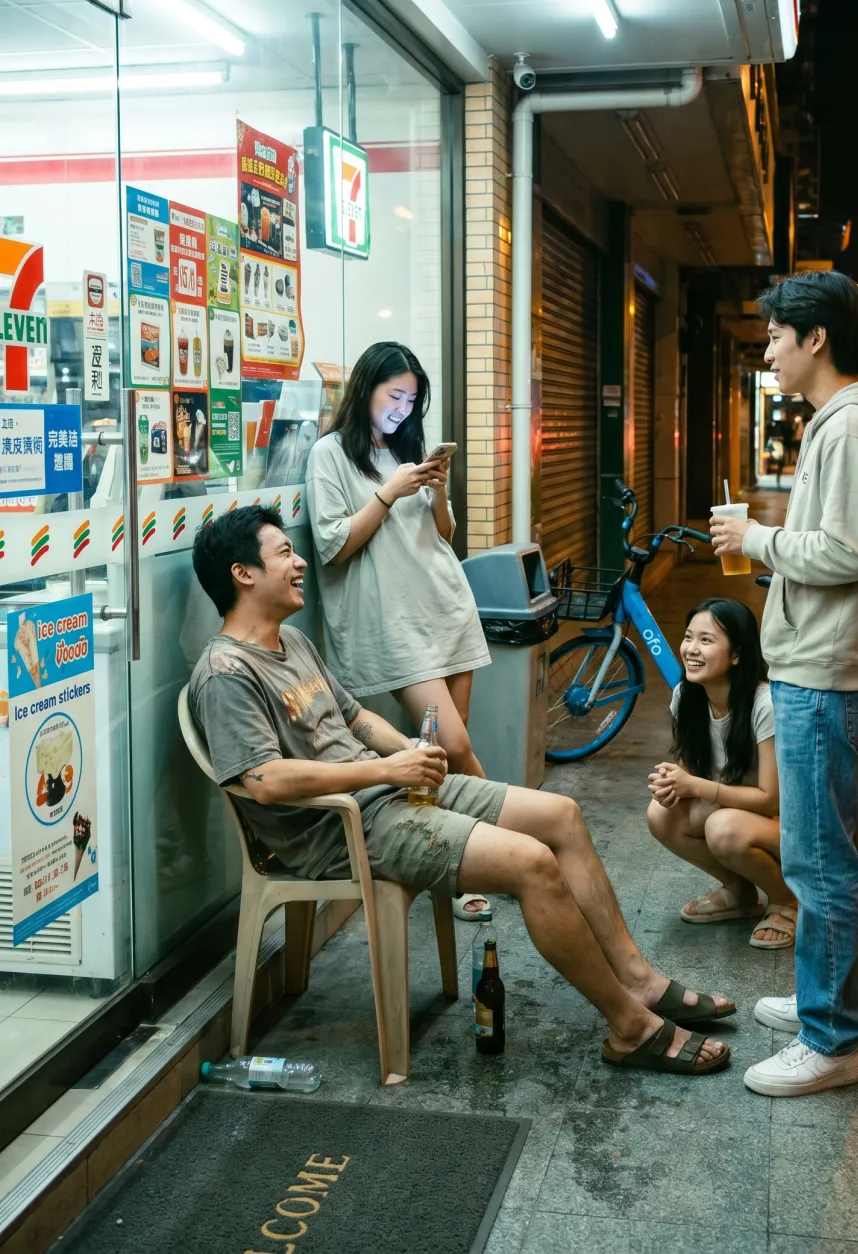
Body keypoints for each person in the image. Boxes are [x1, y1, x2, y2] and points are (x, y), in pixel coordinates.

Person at [187, 506, 734, 1077]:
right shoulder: (228, 672)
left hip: (390, 797)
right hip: (342, 827)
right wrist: (386, 772)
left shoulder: (293, 641)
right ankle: (630, 1028)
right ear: (242, 574)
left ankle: (640, 982)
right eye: (283, 554)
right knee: (533, 864)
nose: (299, 562)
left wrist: (411, 753)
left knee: (563, 815)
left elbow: (355, 721)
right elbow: (264, 782)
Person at [710, 270, 858, 1097]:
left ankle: (831, 1041)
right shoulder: (846, 424)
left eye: (775, 337)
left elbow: (847, 552)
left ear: (816, 338)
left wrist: (760, 542)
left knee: (818, 858)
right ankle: (832, 1003)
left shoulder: (851, 430)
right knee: (834, 851)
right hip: (824, 665)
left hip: (826, 674)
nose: (768, 351)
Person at [305, 342, 490, 921]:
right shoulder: (330, 455)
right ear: (366, 390)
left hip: (444, 605)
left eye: (412, 399)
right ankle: (511, 843)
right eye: (395, 396)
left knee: (439, 756)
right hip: (393, 623)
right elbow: (334, 546)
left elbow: (445, 534)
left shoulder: (408, 450)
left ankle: (448, 869)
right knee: (455, 748)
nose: (404, 409)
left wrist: (436, 487)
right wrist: (389, 492)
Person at [646, 598, 796, 950]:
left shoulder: (764, 704)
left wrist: (694, 785)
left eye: (706, 640)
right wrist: (672, 782)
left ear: (737, 655)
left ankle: (786, 900)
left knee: (722, 828)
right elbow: (693, 766)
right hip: (736, 813)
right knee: (661, 816)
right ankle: (740, 892)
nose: (691, 649)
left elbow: (769, 798)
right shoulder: (686, 695)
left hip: (786, 824)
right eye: (688, 637)